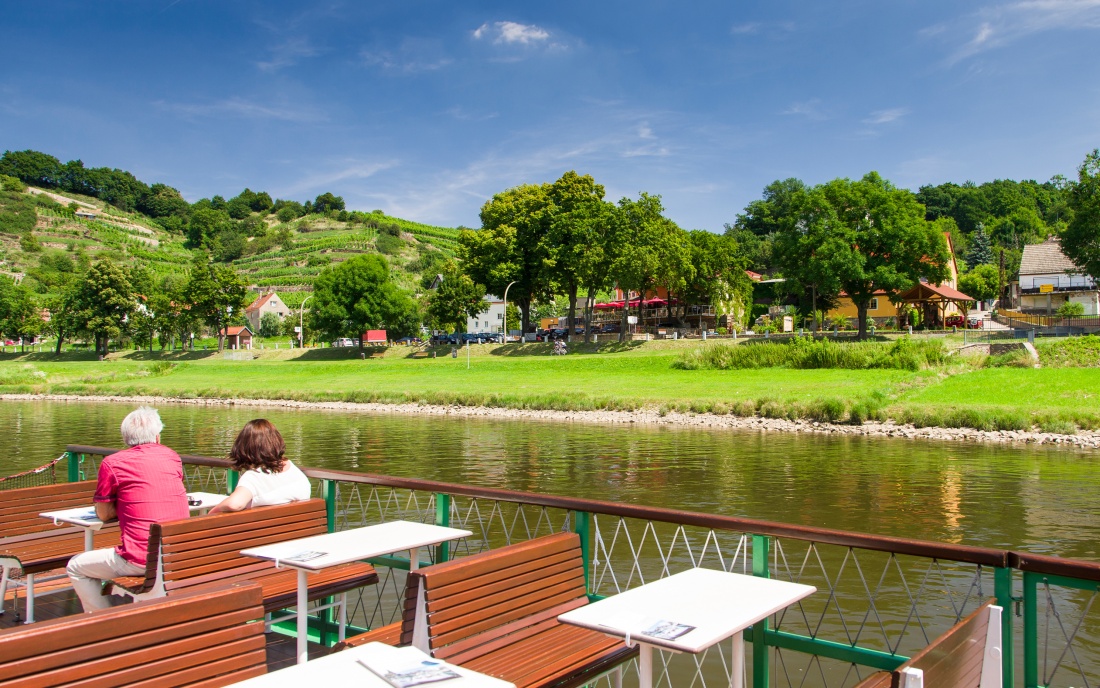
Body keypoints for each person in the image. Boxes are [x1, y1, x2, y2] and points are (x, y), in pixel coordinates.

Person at [67, 407, 188, 612]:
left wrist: (122, 506)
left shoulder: (113, 463)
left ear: (126, 438)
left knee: (76, 566)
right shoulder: (172, 457)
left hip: (142, 559)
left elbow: (104, 514)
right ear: (157, 437)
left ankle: (104, 621)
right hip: (177, 553)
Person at [208, 419, 310, 514]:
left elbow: (235, 504)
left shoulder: (254, 476)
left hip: (266, 531)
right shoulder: (294, 471)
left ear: (245, 447)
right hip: (296, 530)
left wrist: (213, 511)